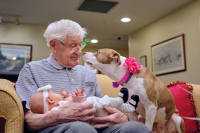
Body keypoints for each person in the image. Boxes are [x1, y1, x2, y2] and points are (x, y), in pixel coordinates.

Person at [16, 19, 150, 133]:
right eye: (73, 46)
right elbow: (29, 120)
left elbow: (104, 106)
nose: (79, 52)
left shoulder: (87, 72)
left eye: (81, 45)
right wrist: (58, 116)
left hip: (97, 127)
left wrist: (121, 117)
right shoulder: (32, 70)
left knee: (136, 127)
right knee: (81, 129)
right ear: (53, 45)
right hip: (59, 127)